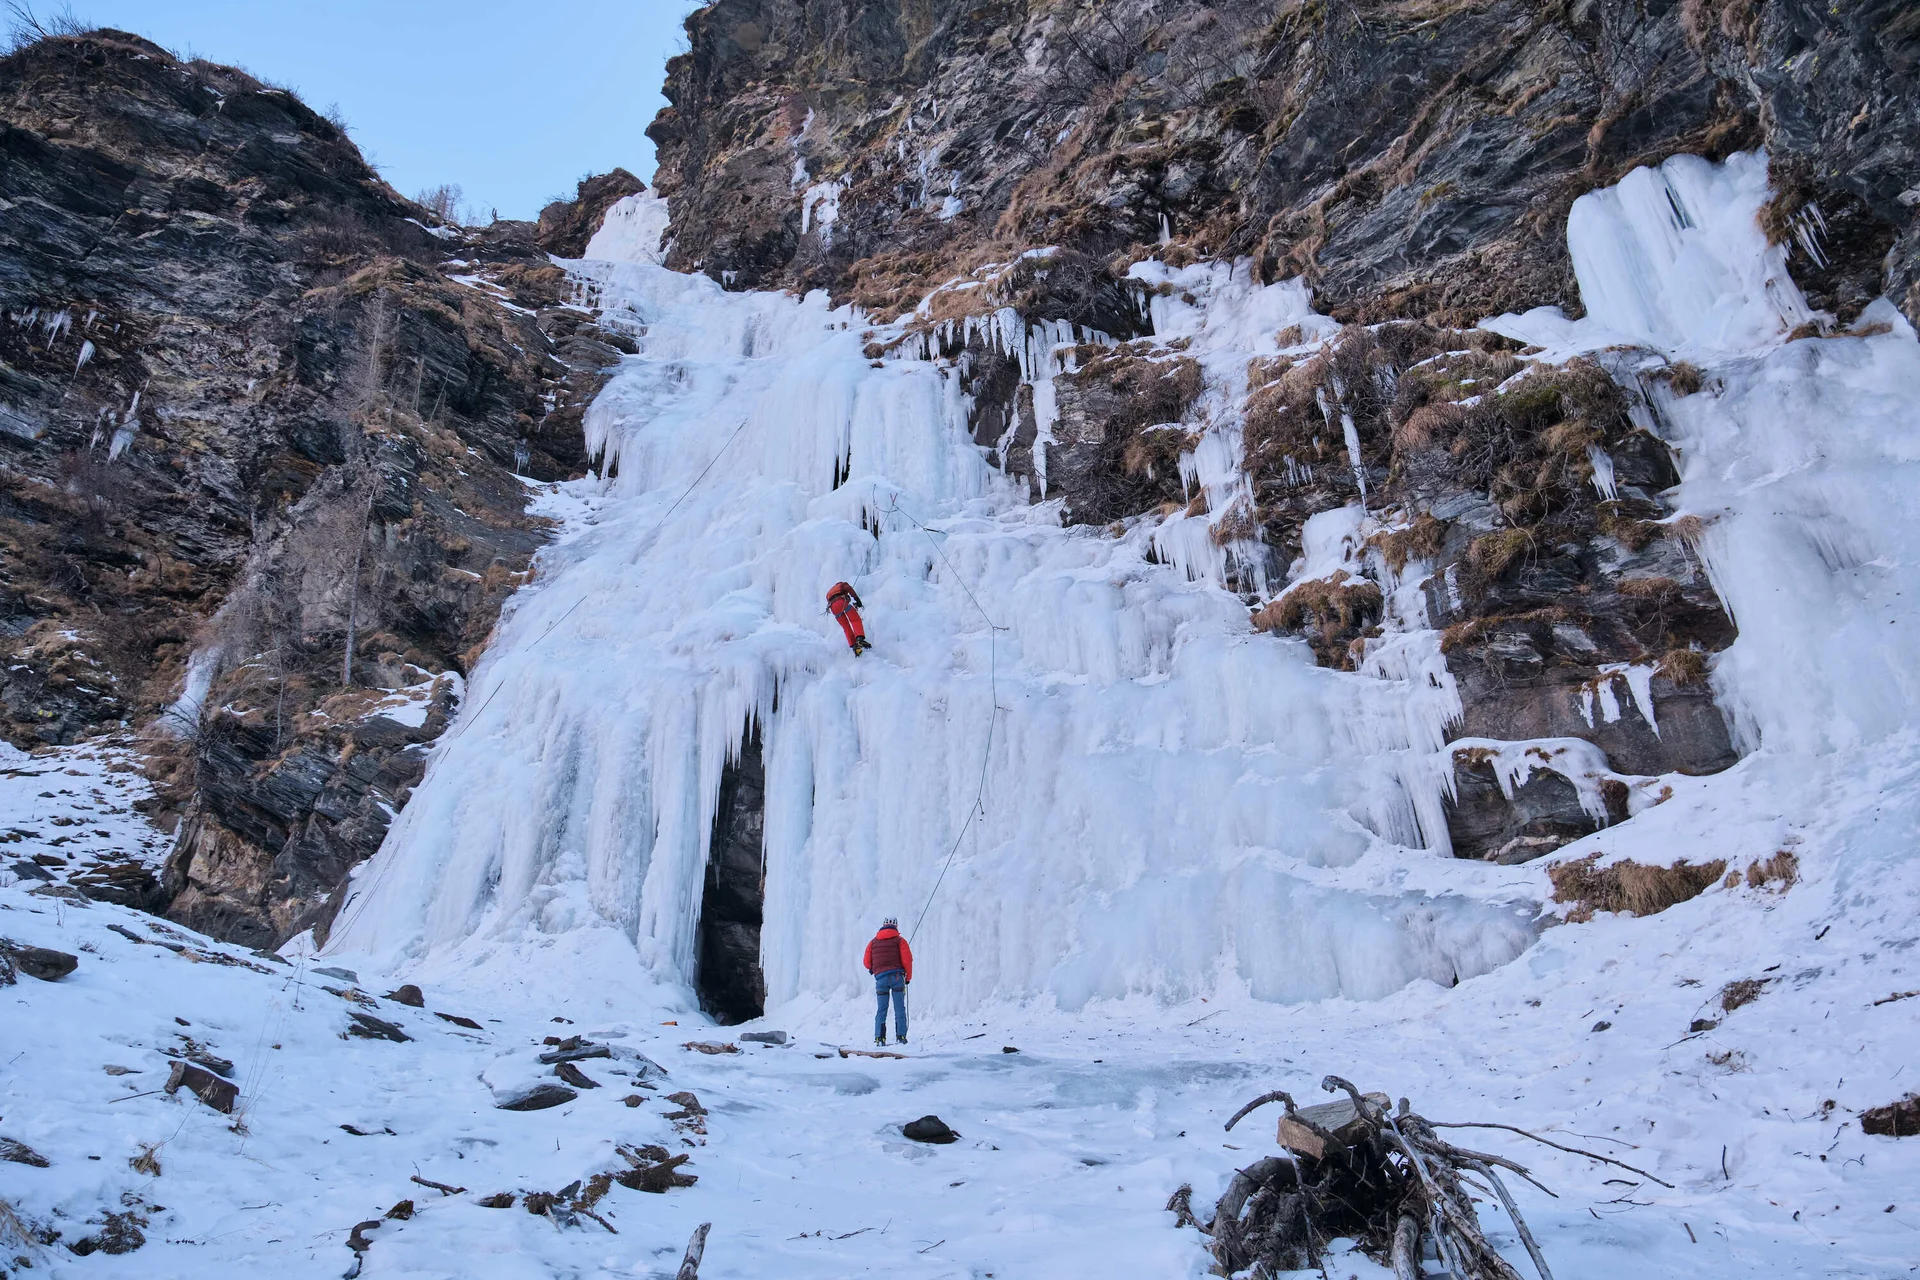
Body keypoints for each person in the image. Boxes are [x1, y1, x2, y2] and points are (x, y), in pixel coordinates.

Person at [863, 917, 912, 1046]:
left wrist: (873, 968)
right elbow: (907, 960)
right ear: (896, 926)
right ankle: (901, 1037)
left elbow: (866, 962)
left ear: (883, 925)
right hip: (897, 977)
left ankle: (880, 1038)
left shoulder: (873, 943)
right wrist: (908, 978)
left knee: (882, 1009)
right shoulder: (900, 941)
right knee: (899, 1008)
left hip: (881, 979)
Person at [827, 581, 871, 656]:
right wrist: (857, 599)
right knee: (855, 620)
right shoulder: (842, 585)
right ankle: (860, 639)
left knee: (846, 627)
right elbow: (848, 588)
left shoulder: (829, 592)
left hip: (833, 608)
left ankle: (854, 646)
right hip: (841, 602)